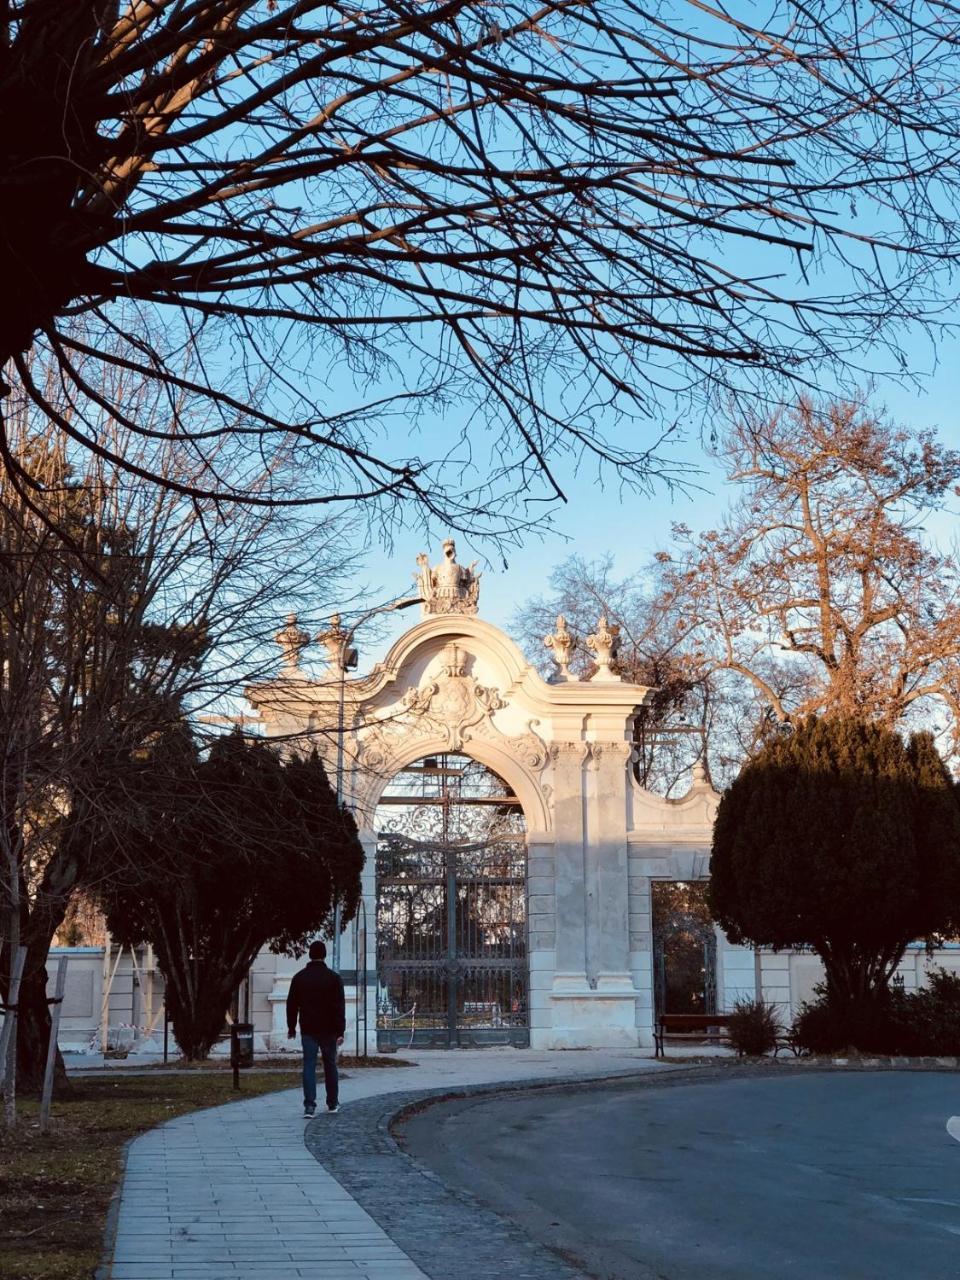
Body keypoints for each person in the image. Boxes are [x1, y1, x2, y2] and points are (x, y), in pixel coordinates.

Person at [286, 940, 345, 1117]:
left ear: (310, 955)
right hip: (329, 1029)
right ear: (324, 955)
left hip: (308, 1028)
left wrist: (291, 1027)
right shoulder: (334, 978)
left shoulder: (299, 978)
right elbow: (339, 1006)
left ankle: (309, 1106)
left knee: (309, 1065)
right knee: (330, 1065)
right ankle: (332, 1102)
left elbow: (292, 1004)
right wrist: (340, 1031)